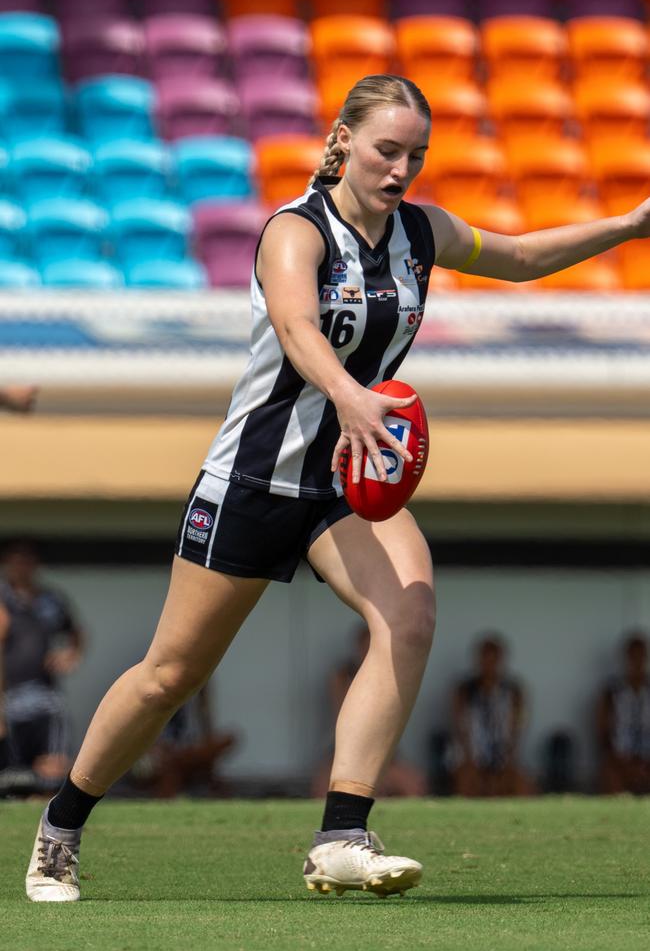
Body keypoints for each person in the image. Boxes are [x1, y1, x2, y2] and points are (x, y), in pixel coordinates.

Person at [25, 73, 650, 902]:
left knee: (411, 613)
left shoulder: (419, 234)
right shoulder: (297, 232)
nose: (401, 169)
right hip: (254, 479)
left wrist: (632, 224)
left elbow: (526, 258)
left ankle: (342, 834)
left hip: (345, 485)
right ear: (345, 139)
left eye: (416, 155)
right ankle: (59, 831)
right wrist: (352, 397)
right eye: (387, 150)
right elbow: (295, 328)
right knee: (169, 675)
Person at [311, 622, 428, 798]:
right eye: (365, 645)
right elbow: (345, 720)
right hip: (343, 750)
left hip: (384, 751)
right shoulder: (342, 676)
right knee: (322, 786)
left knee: (414, 783)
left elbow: (391, 722)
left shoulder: (390, 676)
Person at [0, 541, 83, 784]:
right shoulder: (3, 599)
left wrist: (70, 654)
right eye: (16, 562)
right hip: (8, 697)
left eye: (27, 562)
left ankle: (50, 815)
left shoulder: (50, 600)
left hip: (44, 694)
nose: (21, 568)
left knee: (53, 763)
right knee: (12, 772)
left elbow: (76, 632)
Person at [452, 635, 535, 797]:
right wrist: (471, 760)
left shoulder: (514, 691)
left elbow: (518, 728)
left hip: (504, 755)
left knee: (522, 784)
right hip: (472, 755)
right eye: (485, 658)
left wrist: (508, 760)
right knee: (467, 780)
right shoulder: (464, 690)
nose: (489, 664)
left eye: (493, 658)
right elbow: (459, 727)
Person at [597, 633, 650, 795]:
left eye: (640, 656)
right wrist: (620, 760)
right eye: (633, 656)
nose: (637, 661)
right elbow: (602, 730)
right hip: (620, 759)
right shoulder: (612, 691)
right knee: (610, 776)